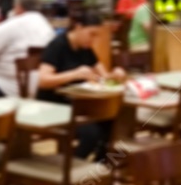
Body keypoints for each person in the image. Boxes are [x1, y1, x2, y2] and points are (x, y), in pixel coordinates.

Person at [37, 9, 124, 159]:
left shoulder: (86, 49)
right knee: (91, 134)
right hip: (54, 104)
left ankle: (99, 165)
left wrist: (115, 75)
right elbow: (43, 80)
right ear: (78, 27)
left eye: (96, 36)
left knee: (113, 121)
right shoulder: (57, 45)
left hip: (78, 104)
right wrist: (74, 74)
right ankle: (71, 167)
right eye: (91, 34)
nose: (93, 40)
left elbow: (104, 76)